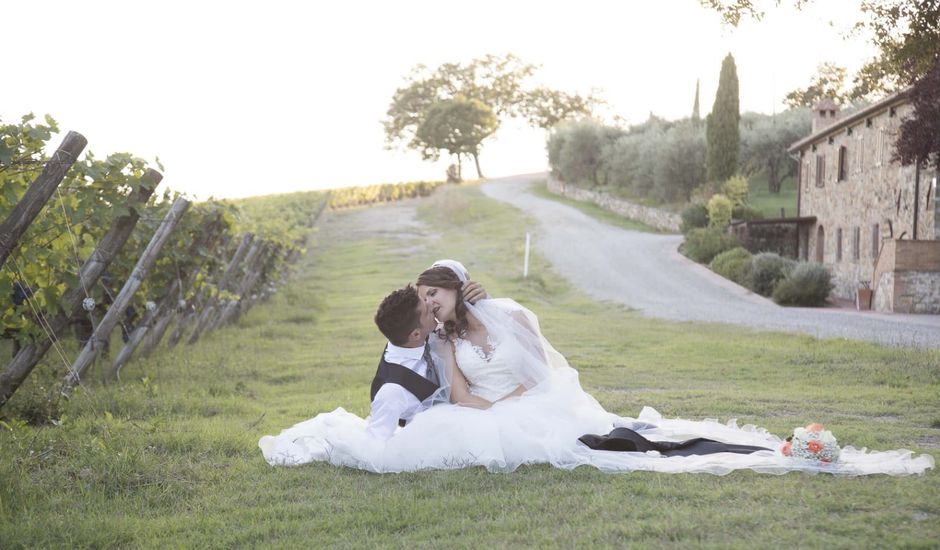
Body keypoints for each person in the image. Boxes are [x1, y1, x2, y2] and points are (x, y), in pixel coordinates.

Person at [259, 260, 934, 476]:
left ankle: (769, 448)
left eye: (433, 295)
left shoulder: (505, 315)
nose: (429, 306)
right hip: (496, 418)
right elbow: (459, 393)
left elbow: (538, 373)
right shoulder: (438, 341)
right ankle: (755, 449)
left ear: (455, 291)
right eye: (424, 301)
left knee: (627, 441)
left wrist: (516, 404)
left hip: (540, 404)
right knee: (610, 446)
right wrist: (487, 408)